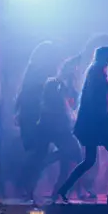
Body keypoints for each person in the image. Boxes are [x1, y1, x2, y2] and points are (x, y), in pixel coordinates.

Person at [54, 46, 108, 204]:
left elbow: (107, 99)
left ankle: (63, 190)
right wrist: (103, 119)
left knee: (90, 160)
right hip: (97, 123)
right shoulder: (96, 73)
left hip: (94, 123)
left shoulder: (98, 73)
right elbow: (97, 100)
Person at [24, 54, 84, 199]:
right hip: (50, 126)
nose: (75, 72)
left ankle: (58, 192)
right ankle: (31, 189)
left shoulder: (69, 87)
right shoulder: (53, 83)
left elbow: (73, 105)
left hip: (61, 127)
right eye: (73, 69)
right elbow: (53, 105)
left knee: (74, 155)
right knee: (43, 157)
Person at [15, 41, 61, 199]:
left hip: (32, 118)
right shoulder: (41, 74)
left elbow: (23, 94)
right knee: (37, 153)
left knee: (38, 153)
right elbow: (35, 96)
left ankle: (27, 188)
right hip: (35, 118)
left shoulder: (33, 71)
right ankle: (25, 186)